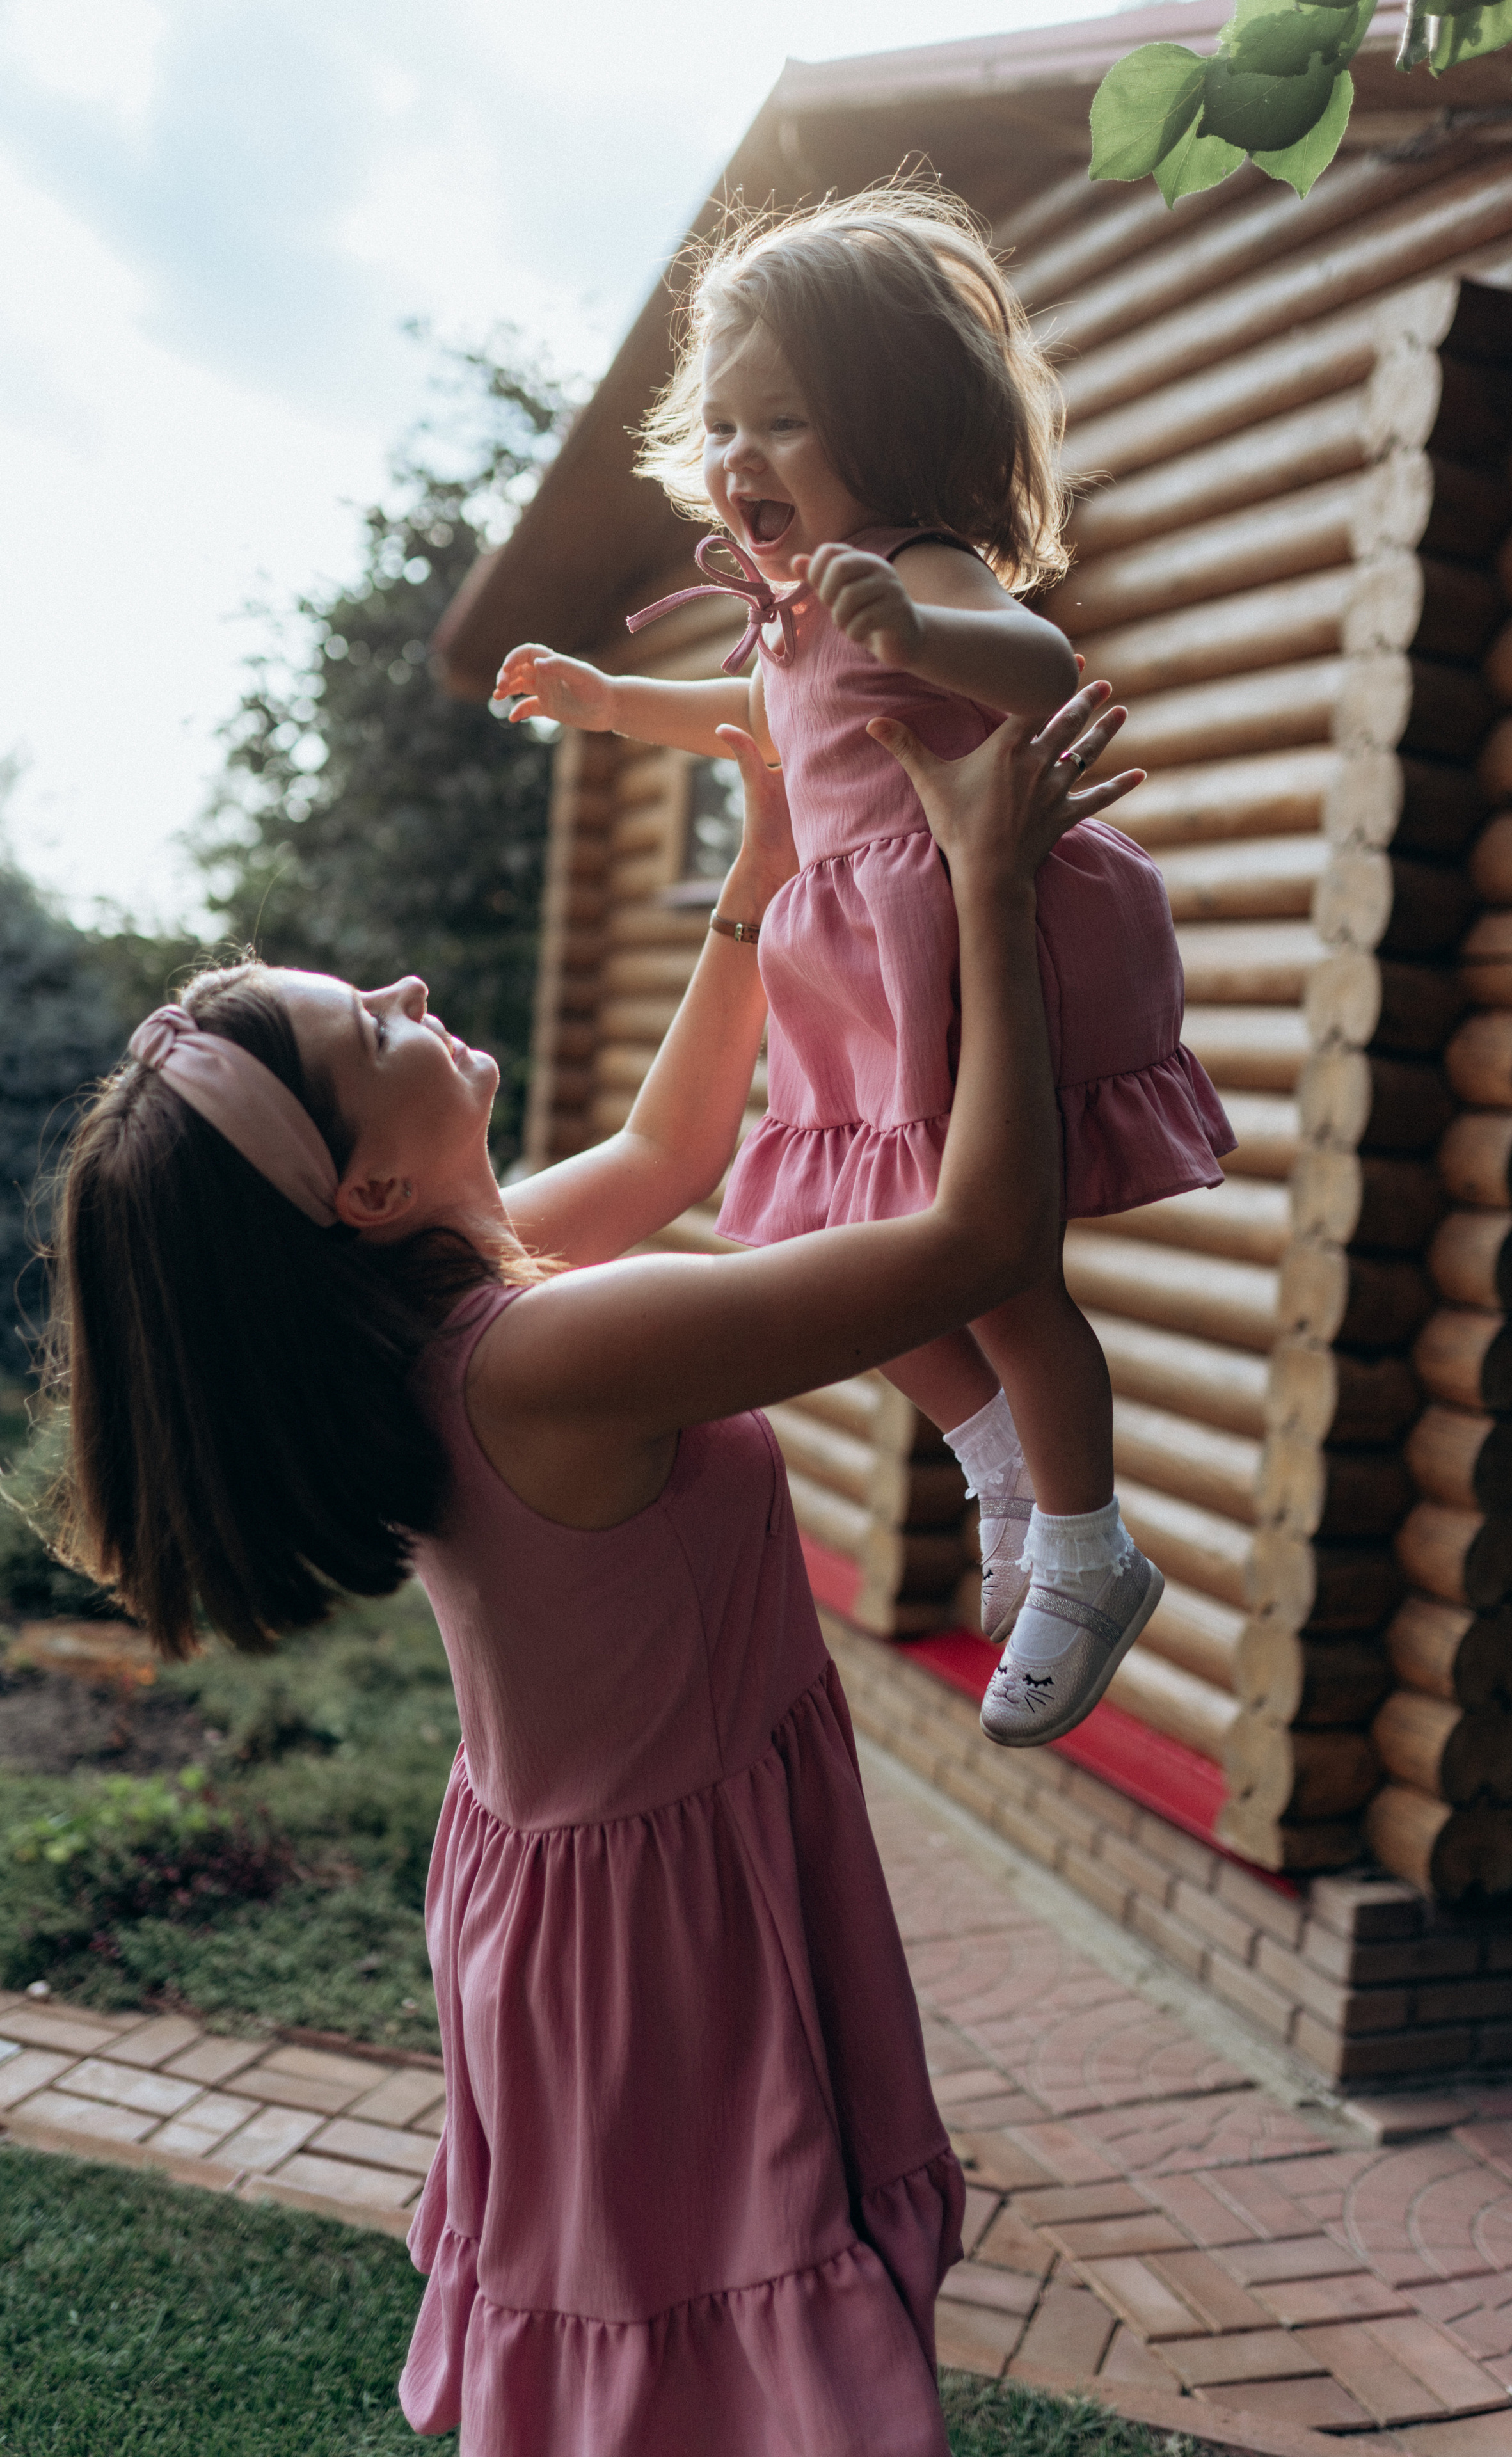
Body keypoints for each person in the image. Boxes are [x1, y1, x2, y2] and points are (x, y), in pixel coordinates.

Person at [43, 690, 1140, 2454]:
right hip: (654, 1929)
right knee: (719, 2354)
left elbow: (670, 1154)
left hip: (591, 1882)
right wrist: (994, 889)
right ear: (375, 1182)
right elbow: (982, 1242)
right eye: (365, 1025)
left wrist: (765, 862)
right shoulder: (540, 1355)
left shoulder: (447, 1307)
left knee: (666, 2346)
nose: (406, 992)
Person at [495, 187, 1233, 1751]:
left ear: (889, 432)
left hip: (959, 946)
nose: (741, 458)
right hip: (853, 980)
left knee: (998, 1268)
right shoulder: (780, 615)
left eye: (785, 421)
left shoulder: (910, 560)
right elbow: (745, 729)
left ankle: (1091, 1549)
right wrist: (597, 700)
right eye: (724, 423)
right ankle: (1001, 1470)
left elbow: (1037, 667)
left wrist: (913, 625)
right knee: (844, 1246)